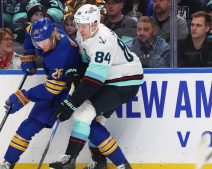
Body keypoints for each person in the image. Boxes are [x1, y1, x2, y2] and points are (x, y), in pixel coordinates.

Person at [49, 4, 144, 169]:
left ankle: (71, 160)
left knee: (82, 115)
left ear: (95, 23)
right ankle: (100, 162)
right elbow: (87, 64)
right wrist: (77, 72)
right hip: (112, 78)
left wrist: (72, 103)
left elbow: (94, 80)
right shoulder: (82, 34)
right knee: (93, 121)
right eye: (78, 24)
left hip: (125, 81)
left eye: (84, 25)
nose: (80, 29)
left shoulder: (103, 40)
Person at [0, 17, 81, 169]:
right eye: (36, 43)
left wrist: (24, 96)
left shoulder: (64, 53)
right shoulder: (40, 30)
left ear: (53, 34)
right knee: (27, 127)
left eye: (43, 42)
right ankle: (7, 163)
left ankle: (92, 160)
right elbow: (28, 30)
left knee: (88, 127)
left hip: (73, 89)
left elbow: (52, 90)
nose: (40, 47)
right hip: (55, 83)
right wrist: (28, 54)